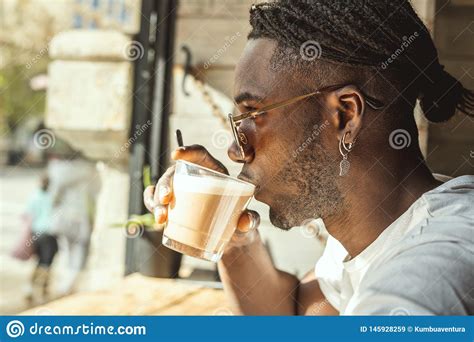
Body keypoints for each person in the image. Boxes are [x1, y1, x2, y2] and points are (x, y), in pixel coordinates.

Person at [144, 0, 474, 315]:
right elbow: (293, 313)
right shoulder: (382, 232)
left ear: (345, 115)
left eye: (254, 114)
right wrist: (233, 237)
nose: (234, 149)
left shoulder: (423, 282)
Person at [48, 155, 99, 296]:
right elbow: (95, 198)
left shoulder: (61, 173)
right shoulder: (92, 173)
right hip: (82, 220)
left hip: (64, 218)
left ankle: (64, 285)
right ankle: (68, 286)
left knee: (66, 252)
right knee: (79, 254)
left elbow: (53, 198)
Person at [24, 174, 58, 301]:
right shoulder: (52, 198)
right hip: (48, 233)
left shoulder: (33, 197)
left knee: (38, 261)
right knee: (47, 263)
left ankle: (30, 288)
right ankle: (43, 289)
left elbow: (27, 215)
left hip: (36, 232)